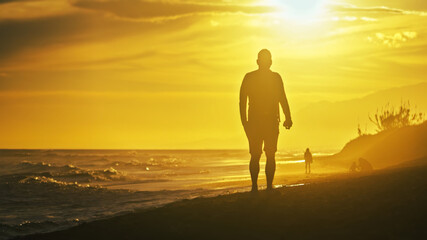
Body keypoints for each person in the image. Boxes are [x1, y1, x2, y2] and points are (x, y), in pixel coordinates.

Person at [239, 49, 292, 192]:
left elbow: (282, 98)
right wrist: (288, 117)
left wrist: (288, 117)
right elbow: (242, 102)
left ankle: (260, 187)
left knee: (264, 155)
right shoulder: (252, 77)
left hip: (264, 122)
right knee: (263, 155)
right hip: (261, 123)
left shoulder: (272, 78)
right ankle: (261, 187)